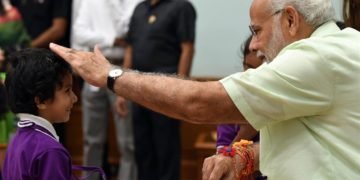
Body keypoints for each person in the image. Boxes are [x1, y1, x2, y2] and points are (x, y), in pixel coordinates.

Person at [49, 0, 360, 179]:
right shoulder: (333, 49)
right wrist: (242, 159)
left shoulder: (316, 58)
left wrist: (110, 75)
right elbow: (307, 140)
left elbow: (199, 103)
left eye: (257, 31)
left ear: (291, 19)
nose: (253, 45)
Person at [1, 48, 105, 179]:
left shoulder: (17, 139)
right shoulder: (50, 151)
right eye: (67, 91)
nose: (75, 98)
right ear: (41, 100)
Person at [122, 0, 196, 179]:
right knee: (142, 150)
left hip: (166, 90)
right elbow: (130, 48)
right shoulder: (140, 8)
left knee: (166, 150)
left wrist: (180, 88)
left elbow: (187, 49)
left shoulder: (181, 6)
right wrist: (122, 88)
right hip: (137, 89)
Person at [71, 0, 140, 179]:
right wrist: (112, 39)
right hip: (94, 68)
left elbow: (131, 32)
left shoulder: (136, 2)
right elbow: (79, 33)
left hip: (124, 68)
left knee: (127, 142)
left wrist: (104, 37)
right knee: (91, 139)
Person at [216, 35, 262, 152]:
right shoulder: (233, 99)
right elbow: (221, 154)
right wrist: (245, 134)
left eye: (261, 71)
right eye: (248, 68)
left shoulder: (283, 103)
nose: (252, 76)